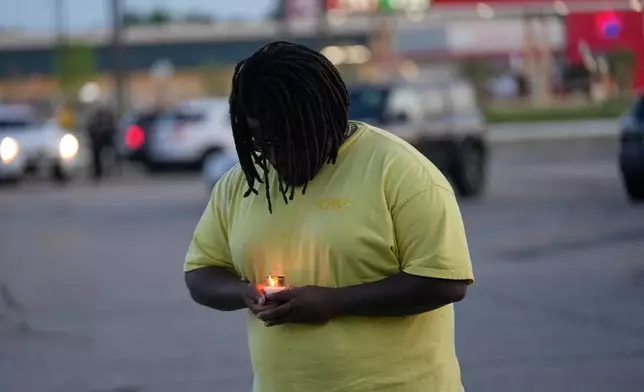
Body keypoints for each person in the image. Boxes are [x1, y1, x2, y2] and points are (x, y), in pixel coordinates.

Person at [184, 41, 474, 392]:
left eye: (289, 139)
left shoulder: (399, 171)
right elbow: (201, 273)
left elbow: (445, 281)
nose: (275, 155)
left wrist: (334, 302)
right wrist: (244, 293)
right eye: (262, 142)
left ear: (327, 117)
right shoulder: (242, 183)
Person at [86, 106, 117, 181]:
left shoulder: (106, 123)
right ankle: (98, 173)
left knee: (103, 158)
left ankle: (100, 172)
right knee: (96, 159)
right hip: (97, 144)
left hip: (103, 144)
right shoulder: (95, 123)